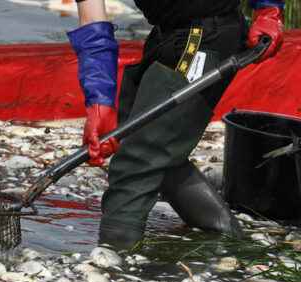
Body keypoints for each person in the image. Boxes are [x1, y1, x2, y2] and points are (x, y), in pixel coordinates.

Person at [69, 0, 285, 249]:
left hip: (206, 33)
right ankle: (228, 244)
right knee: (148, 141)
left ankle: (114, 262)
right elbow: (93, 23)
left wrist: (268, 9)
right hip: (168, 34)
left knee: (138, 158)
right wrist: (99, 101)